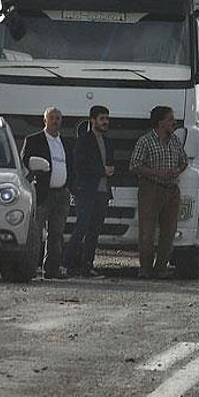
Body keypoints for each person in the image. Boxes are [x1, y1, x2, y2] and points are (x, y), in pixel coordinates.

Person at [129, 105, 187, 279]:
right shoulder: (145, 141)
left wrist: (178, 170)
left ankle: (161, 268)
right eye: (170, 119)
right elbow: (134, 165)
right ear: (160, 122)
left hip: (171, 190)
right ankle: (145, 268)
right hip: (151, 189)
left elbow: (184, 161)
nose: (174, 122)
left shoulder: (175, 141)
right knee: (147, 232)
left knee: (169, 233)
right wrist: (157, 173)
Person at [20, 107, 73, 279]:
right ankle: (30, 267)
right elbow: (25, 162)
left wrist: (69, 185)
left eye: (58, 118)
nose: (56, 121)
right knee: (35, 232)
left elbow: (71, 166)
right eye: (52, 118)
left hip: (62, 194)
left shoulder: (65, 142)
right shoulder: (34, 140)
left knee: (56, 234)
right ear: (45, 121)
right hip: (42, 193)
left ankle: (52, 269)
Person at [62, 105, 114, 278]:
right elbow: (80, 165)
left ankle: (87, 266)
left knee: (95, 230)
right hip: (85, 191)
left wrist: (111, 171)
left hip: (102, 191)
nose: (105, 122)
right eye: (102, 118)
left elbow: (109, 163)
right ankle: (66, 264)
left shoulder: (107, 141)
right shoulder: (84, 141)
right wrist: (102, 170)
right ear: (93, 120)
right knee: (81, 227)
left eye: (107, 118)